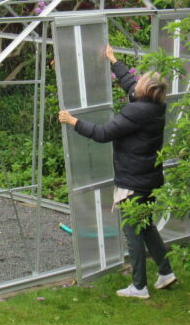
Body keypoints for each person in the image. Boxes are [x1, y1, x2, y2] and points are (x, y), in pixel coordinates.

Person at [58, 46, 176, 300]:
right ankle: (165, 272)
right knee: (146, 227)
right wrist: (114, 61)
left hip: (133, 182)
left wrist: (73, 121)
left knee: (132, 232)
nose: (137, 85)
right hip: (149, 179)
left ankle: (139, 287)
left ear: (146, 91)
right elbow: (131, 86)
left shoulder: (135, 112)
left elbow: (102, 134)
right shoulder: (155, 108)